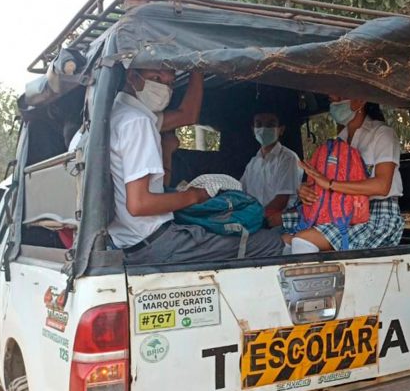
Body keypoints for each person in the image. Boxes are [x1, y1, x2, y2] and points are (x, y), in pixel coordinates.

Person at [108, 68, 284, 264]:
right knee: (271, 242)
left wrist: (197, 68)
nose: (164, 88)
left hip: (130, 244)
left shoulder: (117, 114)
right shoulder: (137, 122)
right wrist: (196, 195)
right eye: (156, 78)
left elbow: (186, 116)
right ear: (132, 77)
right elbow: (139, 204)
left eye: (170, 83)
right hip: (160, 241)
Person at [283, 96, 404, 253]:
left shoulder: (382, 134)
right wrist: (306, 190)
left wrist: (331, 184)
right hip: (344, 211)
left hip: (377, 216)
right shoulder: (340, 140)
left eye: (339, 97)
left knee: (302, 240)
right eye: (331, 99)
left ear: (360, 100)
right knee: (285, 239)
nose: (334, 103)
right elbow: (325, 183)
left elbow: (382, 186)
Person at [240, 111, 302, 227]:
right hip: (253, 221)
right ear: (253, 130)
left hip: (279, 223)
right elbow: (241, 193)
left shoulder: (288, 158)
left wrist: (255, 218)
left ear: (281, 130)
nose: (263, 129)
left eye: (270, 125)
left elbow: (282, 200)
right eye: (259, 125)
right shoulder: (253, 163)